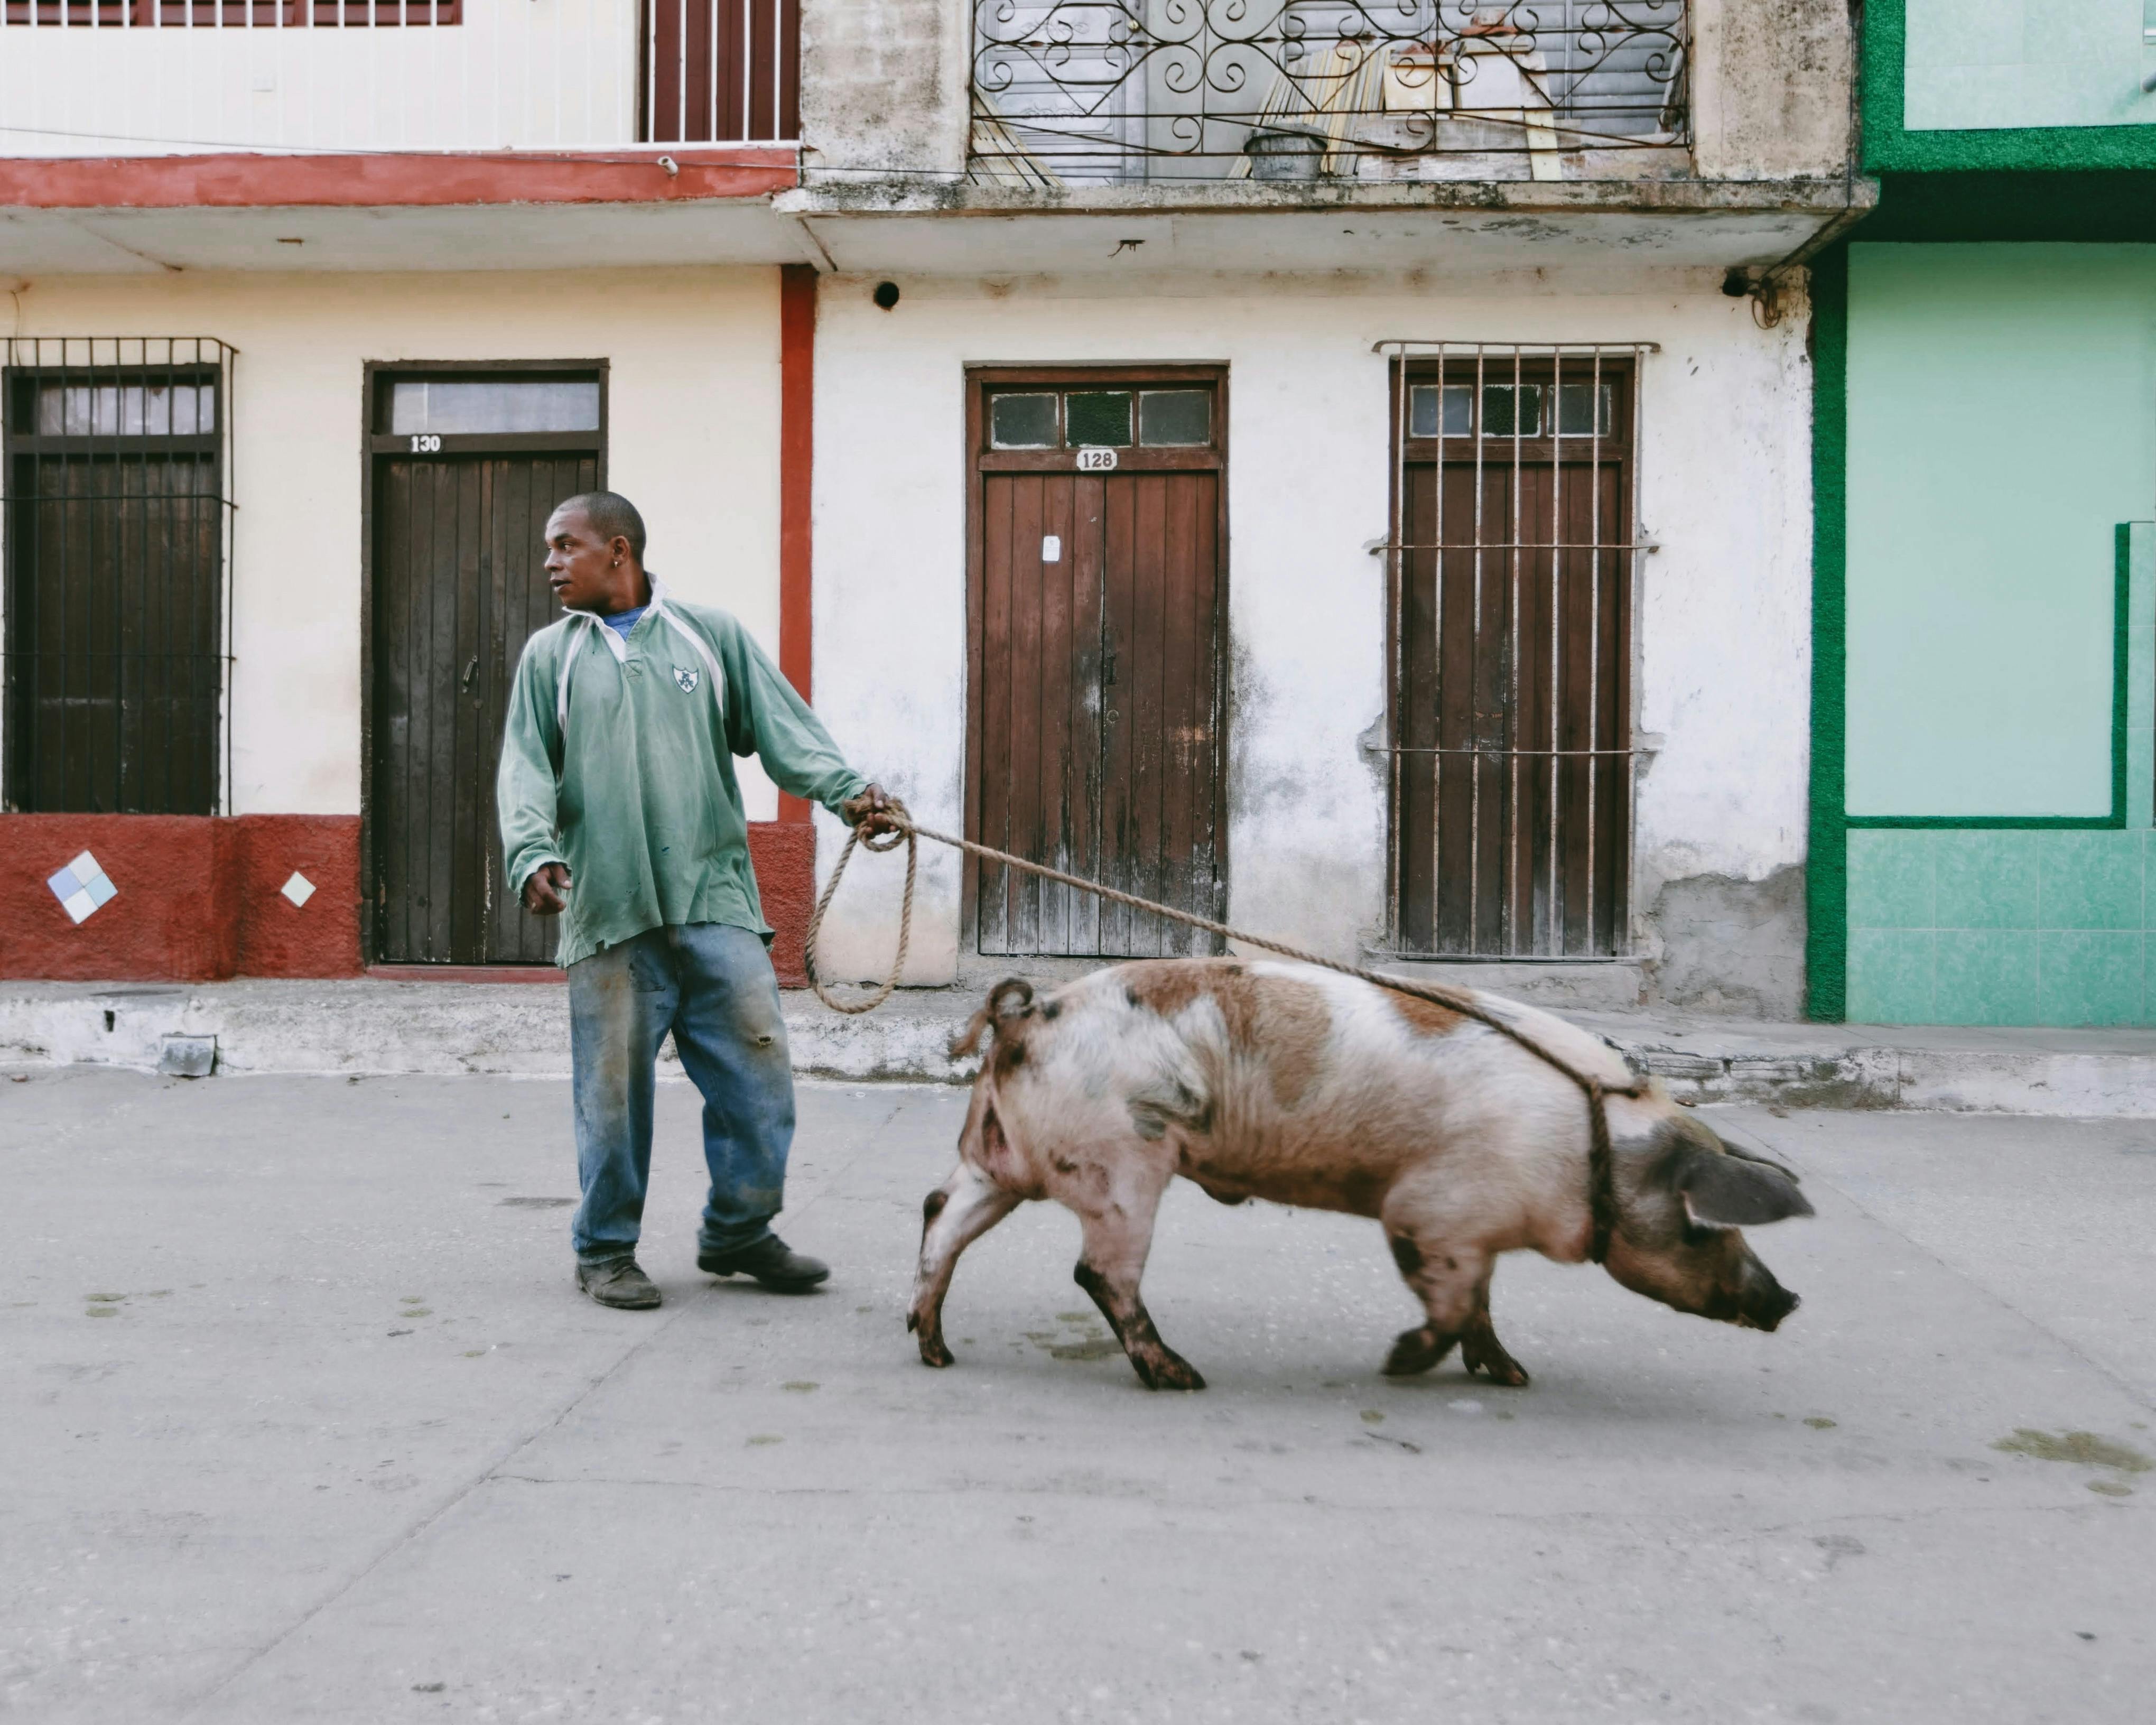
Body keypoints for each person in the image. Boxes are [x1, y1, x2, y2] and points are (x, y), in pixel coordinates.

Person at [497, 491, 893, 1310]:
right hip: (610, 909)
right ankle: (605, 1250)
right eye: (549, 549)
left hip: (714, 900)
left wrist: (848, 792)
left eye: (564, 546)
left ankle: (739, 1232)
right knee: (611, 1098)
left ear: (619, 550)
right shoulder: (551, 655)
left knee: (760, 1080)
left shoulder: (707, 637)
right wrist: (532, 851)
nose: (549, 564)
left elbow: (784, 730)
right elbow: (526, 767)